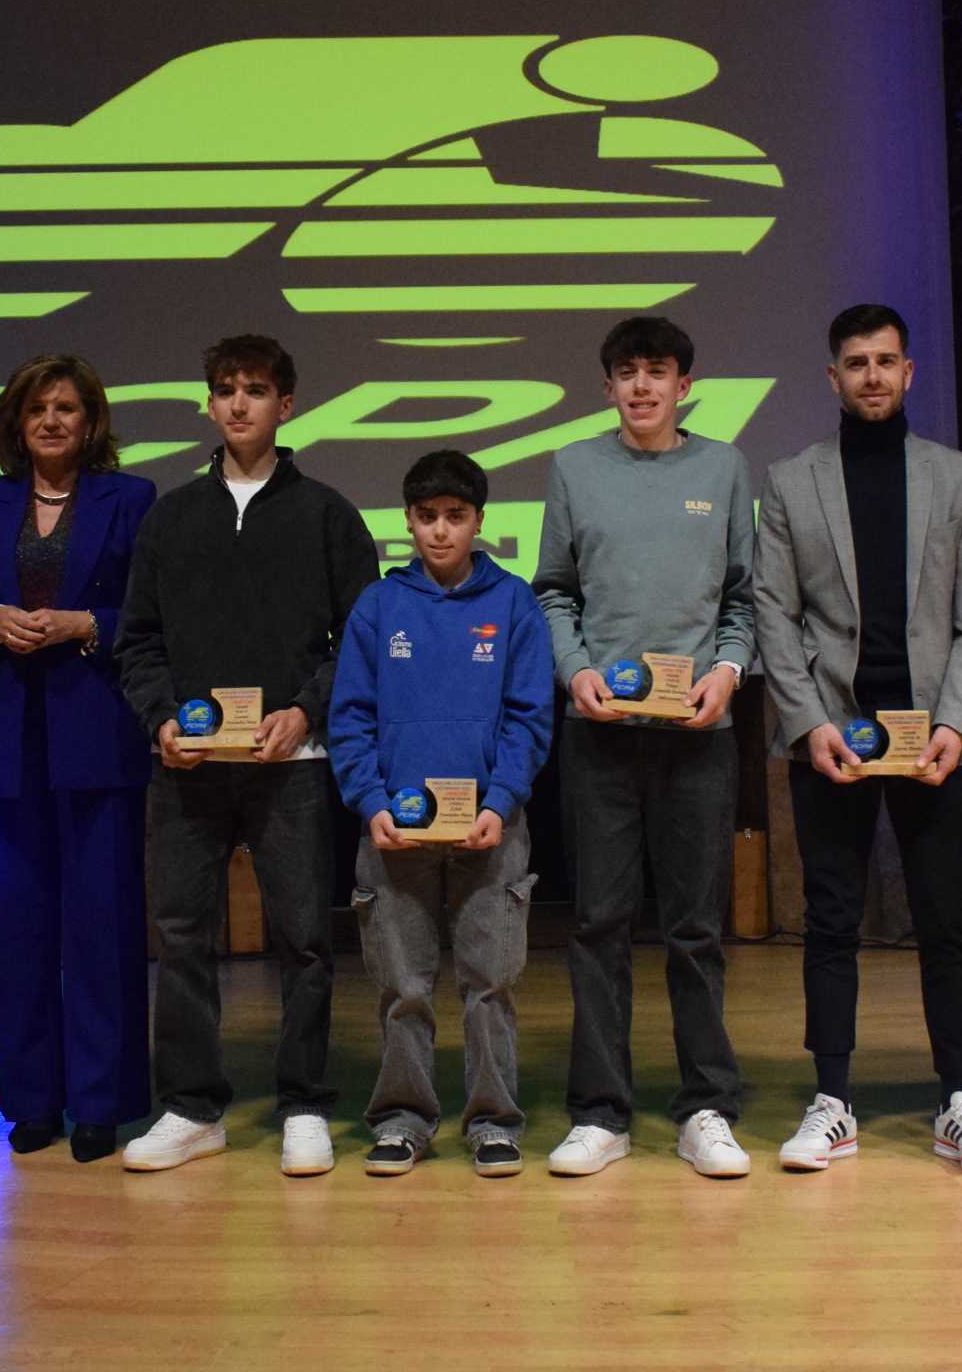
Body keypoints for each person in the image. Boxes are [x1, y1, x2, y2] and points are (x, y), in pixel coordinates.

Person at [113, 334, 377, 1175]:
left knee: (304, 939)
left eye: (255, 390)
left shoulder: (327, 514)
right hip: (187, 769)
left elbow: (359, 639)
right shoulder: (171, 515)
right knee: (183, 936)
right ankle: (193, 1107)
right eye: (224, 389)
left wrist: (306, 711)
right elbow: (139, 641)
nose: (238, 404)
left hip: (289, 768)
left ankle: (303, 1102)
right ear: (210, 402)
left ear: (286, 404)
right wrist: (160, 719)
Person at [754, 304, 962, 1174]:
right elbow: (775, 619)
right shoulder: (790, 483)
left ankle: (959, 1098)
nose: (871, 375)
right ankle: (832, 1099)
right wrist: (809, 723)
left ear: (910, 374)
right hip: (832, 735)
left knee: (946, 923)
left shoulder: (959, 478)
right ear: (832, 377)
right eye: (855, 362)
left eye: (886, 361)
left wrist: (955, 724)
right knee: (829, 924)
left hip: (936, 737)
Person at [534, 315, 759, 1179]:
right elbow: (553, 592)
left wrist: (729, 673)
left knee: (697, 929)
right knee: (597, 925)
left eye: (657, 372)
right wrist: (574, 671)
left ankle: (706, 1106)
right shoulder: (575, 469)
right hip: (599, 737)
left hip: (698, 734)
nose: (641, 387)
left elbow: (742, 600)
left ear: (684, 385)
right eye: (626, 373)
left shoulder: (723, 468)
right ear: (607, 387)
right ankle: (600, 1113)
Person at [0, 354, 157, 1163]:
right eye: (38, 407)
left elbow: (144, 609)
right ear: (16, 421)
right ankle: (32, 1101)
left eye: (68, 407)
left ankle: (102, 1103)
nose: (53, 420)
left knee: (101, 926)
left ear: (91, 420)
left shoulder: (130, 498)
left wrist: (84, 625)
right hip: (5, 739)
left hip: (97, 732)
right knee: (19, 928)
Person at [327, 450, 554, 1178]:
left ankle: (493, 1121)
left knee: (490, 985)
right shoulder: (377, 606)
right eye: (427, 517)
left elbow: (529, 716)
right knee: (404, 989)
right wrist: (368, 802)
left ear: (479, 522)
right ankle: (402, 1118)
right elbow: (351, 716)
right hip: (394, 832)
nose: (440, 531)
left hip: (492, 830)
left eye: (456, 517)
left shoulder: (514, 603)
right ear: (408, 521)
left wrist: (501, 800)